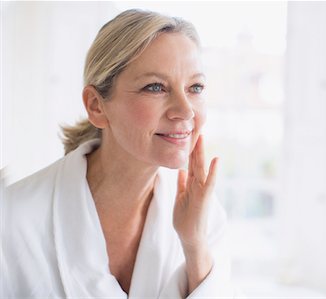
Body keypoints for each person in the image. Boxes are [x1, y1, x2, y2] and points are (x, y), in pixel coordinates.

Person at [1, 9, 241, 298]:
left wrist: (193, 245)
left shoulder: (203, 215)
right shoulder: (12, 220)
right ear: (96, 106)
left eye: (195, 87)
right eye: (155, 87)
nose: (186, 110)